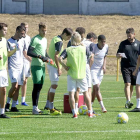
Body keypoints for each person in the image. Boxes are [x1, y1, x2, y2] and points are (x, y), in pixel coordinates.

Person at [58, 32, 94, 118]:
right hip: (82, 74)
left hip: (71, 74)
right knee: (86, 93)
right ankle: (90, 112)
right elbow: (91, 56)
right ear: (80, 39)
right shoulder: (84, 48)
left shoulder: (68, 49)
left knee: (71, 94)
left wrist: (64, 66)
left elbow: (60, 58)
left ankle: (74, 113)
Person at [44, 28, 73, 115]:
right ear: (64, 34)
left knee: (53, 85)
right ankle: (51, 107)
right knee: (54, 85)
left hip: (51, 64)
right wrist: (59, 68)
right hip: (53, 66)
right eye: (68, 37)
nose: (68, 39)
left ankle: (47, 105)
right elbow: (56, 56)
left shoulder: (55, 38)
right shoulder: (59, 41)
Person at [27, 23, 53, 114]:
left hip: (42, 66)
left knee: (40, 86)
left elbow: (44, 52)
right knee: (36, 86)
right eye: (43, 30)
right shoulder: (35, 39)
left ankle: (36, 108)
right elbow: (29, 52)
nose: (44, 32)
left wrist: (49, 58)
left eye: (45, 30)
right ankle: (34, 108)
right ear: (39, 30)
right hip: (36, 65)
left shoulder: (45, 40)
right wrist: (39, 56)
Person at [116, 28, 140, 109]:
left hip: (135, 67)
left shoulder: (138, 43)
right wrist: (118, 55)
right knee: (127, 83)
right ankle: (128, 101)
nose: (128, 37)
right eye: (127, 35)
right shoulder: (123, 43)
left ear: (134, 34)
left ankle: (129, 101)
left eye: (130, 35)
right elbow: (117, 54)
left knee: (132, 85)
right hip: (125, 66)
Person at [5, 26, 26, 112]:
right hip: (12, 67)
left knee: (18, 87)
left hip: (21, 67)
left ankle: (13, 106)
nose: (23, 35)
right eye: (21, 33)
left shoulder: (23, 41)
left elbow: (24, 53)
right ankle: (7, 104)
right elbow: (7, 54)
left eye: (24, 33)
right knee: (14, 86)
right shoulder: (9, 42)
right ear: (17, 31)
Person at [67, 27, 86, 114]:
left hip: (74, 72)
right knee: (77, 91)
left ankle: (75, 109)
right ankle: (88, 111)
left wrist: (64, 66)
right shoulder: (82, 47)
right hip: (79, 72)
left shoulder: (81, 46)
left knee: (75, 91)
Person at [0, 23, 17, 118]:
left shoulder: (4, 41)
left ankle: (1, 112)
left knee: (3, 90)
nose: (6, 32)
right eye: (4, 30)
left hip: (2, 70)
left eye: (6, 30)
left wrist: (15, 50)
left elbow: (7, 54)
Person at [90, 35, 108, 113]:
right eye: (102, 41)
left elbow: (105, 57)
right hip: (93, 70)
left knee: (95, 90)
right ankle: (102, 107)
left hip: (100, 72)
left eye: (104, 41)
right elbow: (91, 58)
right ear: (98, 41)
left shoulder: (106, 47)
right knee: (97, 87)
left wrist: (104, 66)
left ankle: (90, 105)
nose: (104, 43)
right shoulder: (93, 47)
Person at [20, 22, 31, 106]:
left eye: (27, 27)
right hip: (20, 61)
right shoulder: (18, 37)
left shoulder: (28, 38)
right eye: (24, 27)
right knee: (19, 81)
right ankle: (14, 100)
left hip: (27, 62)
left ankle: (23, 100)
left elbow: (29, 50)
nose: (26, 29)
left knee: (25, 81)